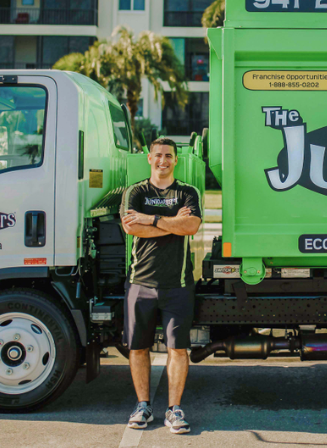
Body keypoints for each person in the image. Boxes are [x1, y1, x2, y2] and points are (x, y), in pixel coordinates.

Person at [120, 137, 202, 435]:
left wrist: (151, 218)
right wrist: (170, 223)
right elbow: (131, 227)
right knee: (138, 348)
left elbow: (191, 226)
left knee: (177, 349)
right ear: (149, 158)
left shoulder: (187, 192)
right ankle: (143, 406)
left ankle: (174, 409)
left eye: (168, 155)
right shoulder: (136, 191)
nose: (163, 161)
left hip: (177, 284)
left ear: (176, 160)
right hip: (139, 282)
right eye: (158, 155)